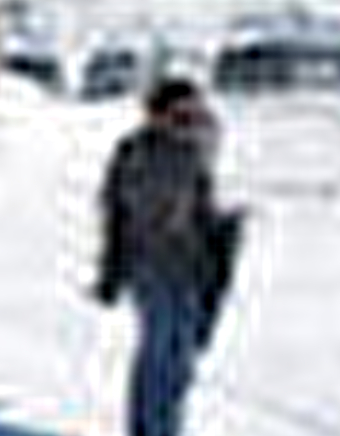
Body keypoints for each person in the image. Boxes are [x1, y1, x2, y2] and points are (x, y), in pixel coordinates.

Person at [92, 77, 243, 436]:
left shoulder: (196, 151)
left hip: (191, 269)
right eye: (180, 111)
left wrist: (225, 228)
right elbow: (117, 211)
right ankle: (152, 428)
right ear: (157, 113)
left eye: (192, 110)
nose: (188, 118)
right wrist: (112, 269)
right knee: (160, 354)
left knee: (182, 357)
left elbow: (201, 210)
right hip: (149, 269)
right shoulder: (136, 152)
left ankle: (160, 427)